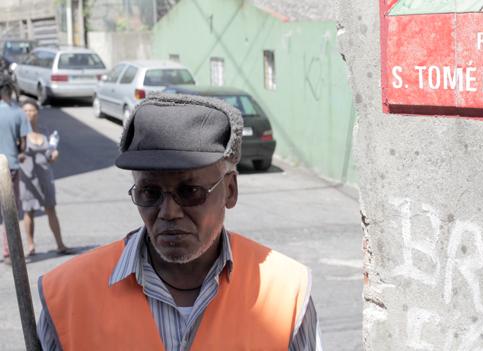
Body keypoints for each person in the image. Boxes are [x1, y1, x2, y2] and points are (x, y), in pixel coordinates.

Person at [37, 94, 322, 350]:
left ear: (230, 191)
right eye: (150, 192)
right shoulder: (67, 295)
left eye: (190, 192)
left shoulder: (286, 291)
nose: (169, 212)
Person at [19, 99, 69, 256]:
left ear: (37, 113)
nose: (28, 114)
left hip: (45, 176)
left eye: (31, 110)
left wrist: (54, 156)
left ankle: (60, 244)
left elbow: (50, 155)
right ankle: (30, 245)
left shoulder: (44, 131)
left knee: (51, 209)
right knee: (29, 211)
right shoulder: (20, 134)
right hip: (27, 177)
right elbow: (16, 154)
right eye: (25, 111)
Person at [0, 74, 30, 265]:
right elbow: (23, 145)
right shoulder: (19, 113)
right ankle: (9, 252)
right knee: (9, 211)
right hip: (9, 167)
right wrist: (20, 152)